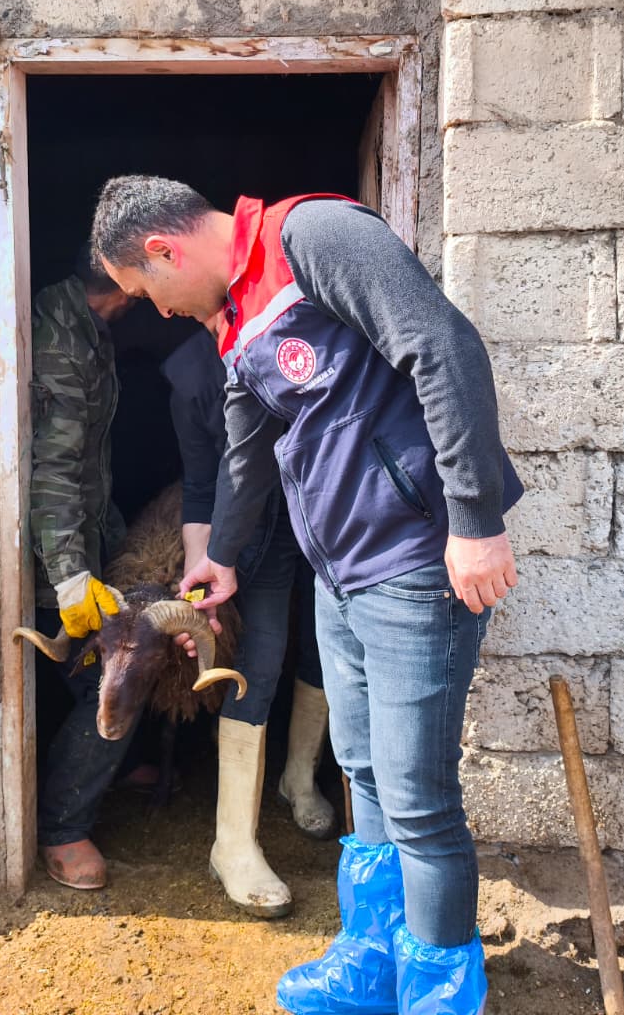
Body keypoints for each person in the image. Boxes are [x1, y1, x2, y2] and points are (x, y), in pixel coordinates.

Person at [92, 177, 523, 1015]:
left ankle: (439, 992)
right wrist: (221, 558)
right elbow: (247, 446)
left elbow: (443, 346)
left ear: (163, 249)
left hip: (412, 560)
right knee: (362, 772)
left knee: (418, 800)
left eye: (149, 292)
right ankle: (372, 958)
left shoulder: (314, 237)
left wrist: (475, 519)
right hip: (340, 573)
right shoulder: (238, 317)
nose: (161, 312)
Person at [161, 324, 335, 920]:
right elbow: (199, 482)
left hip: (334, 521)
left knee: (324, 651)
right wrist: (197, 581)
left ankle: (299, 779)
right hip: (255, 538)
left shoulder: (301, 333)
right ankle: (233, 843)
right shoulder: (191, 374)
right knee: (255, 667)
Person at [27, 249, 135, 890]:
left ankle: (113, 764)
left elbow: (92, 461)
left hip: (84, 535)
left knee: (96, 679)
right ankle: (63, 827)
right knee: (110, 682)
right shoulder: (63, 344)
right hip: (52, 545)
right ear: (123, 286)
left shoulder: (89, 329)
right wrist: (69, 575)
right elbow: (56, 469)